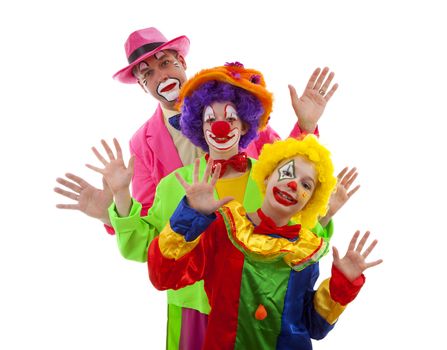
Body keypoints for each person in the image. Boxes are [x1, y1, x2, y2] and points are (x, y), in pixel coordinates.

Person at [88, 62, 354, 350]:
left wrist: (306, 129)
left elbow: (297, 230)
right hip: (190, 308)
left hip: (256, 311)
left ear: (244, 124)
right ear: (199, 127)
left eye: (231, 118)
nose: (221, 126)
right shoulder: (173, 184)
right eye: (209, 119)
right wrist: (120, 197)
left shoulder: (266, 180)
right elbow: (145, 248)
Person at [54, 27, 338, 229]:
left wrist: (306, 125)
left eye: (165, 63)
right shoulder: (142, 144)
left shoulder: (234, 104)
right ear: (142, 87)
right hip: (196, 266)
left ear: (182, 62)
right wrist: (114, 208)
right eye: (148, 74)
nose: (161, 76)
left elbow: (286, 164)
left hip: (258, 252)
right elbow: (152, 225)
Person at [148, 136, 382, 349]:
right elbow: (164, 276)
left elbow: (314, 326)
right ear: (269, 174)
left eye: (306, 185)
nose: (293, 185)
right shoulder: (226, 228)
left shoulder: (305, 251)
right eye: (288, 172)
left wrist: (340, 288)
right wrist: (189, 214)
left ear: (310, 202)